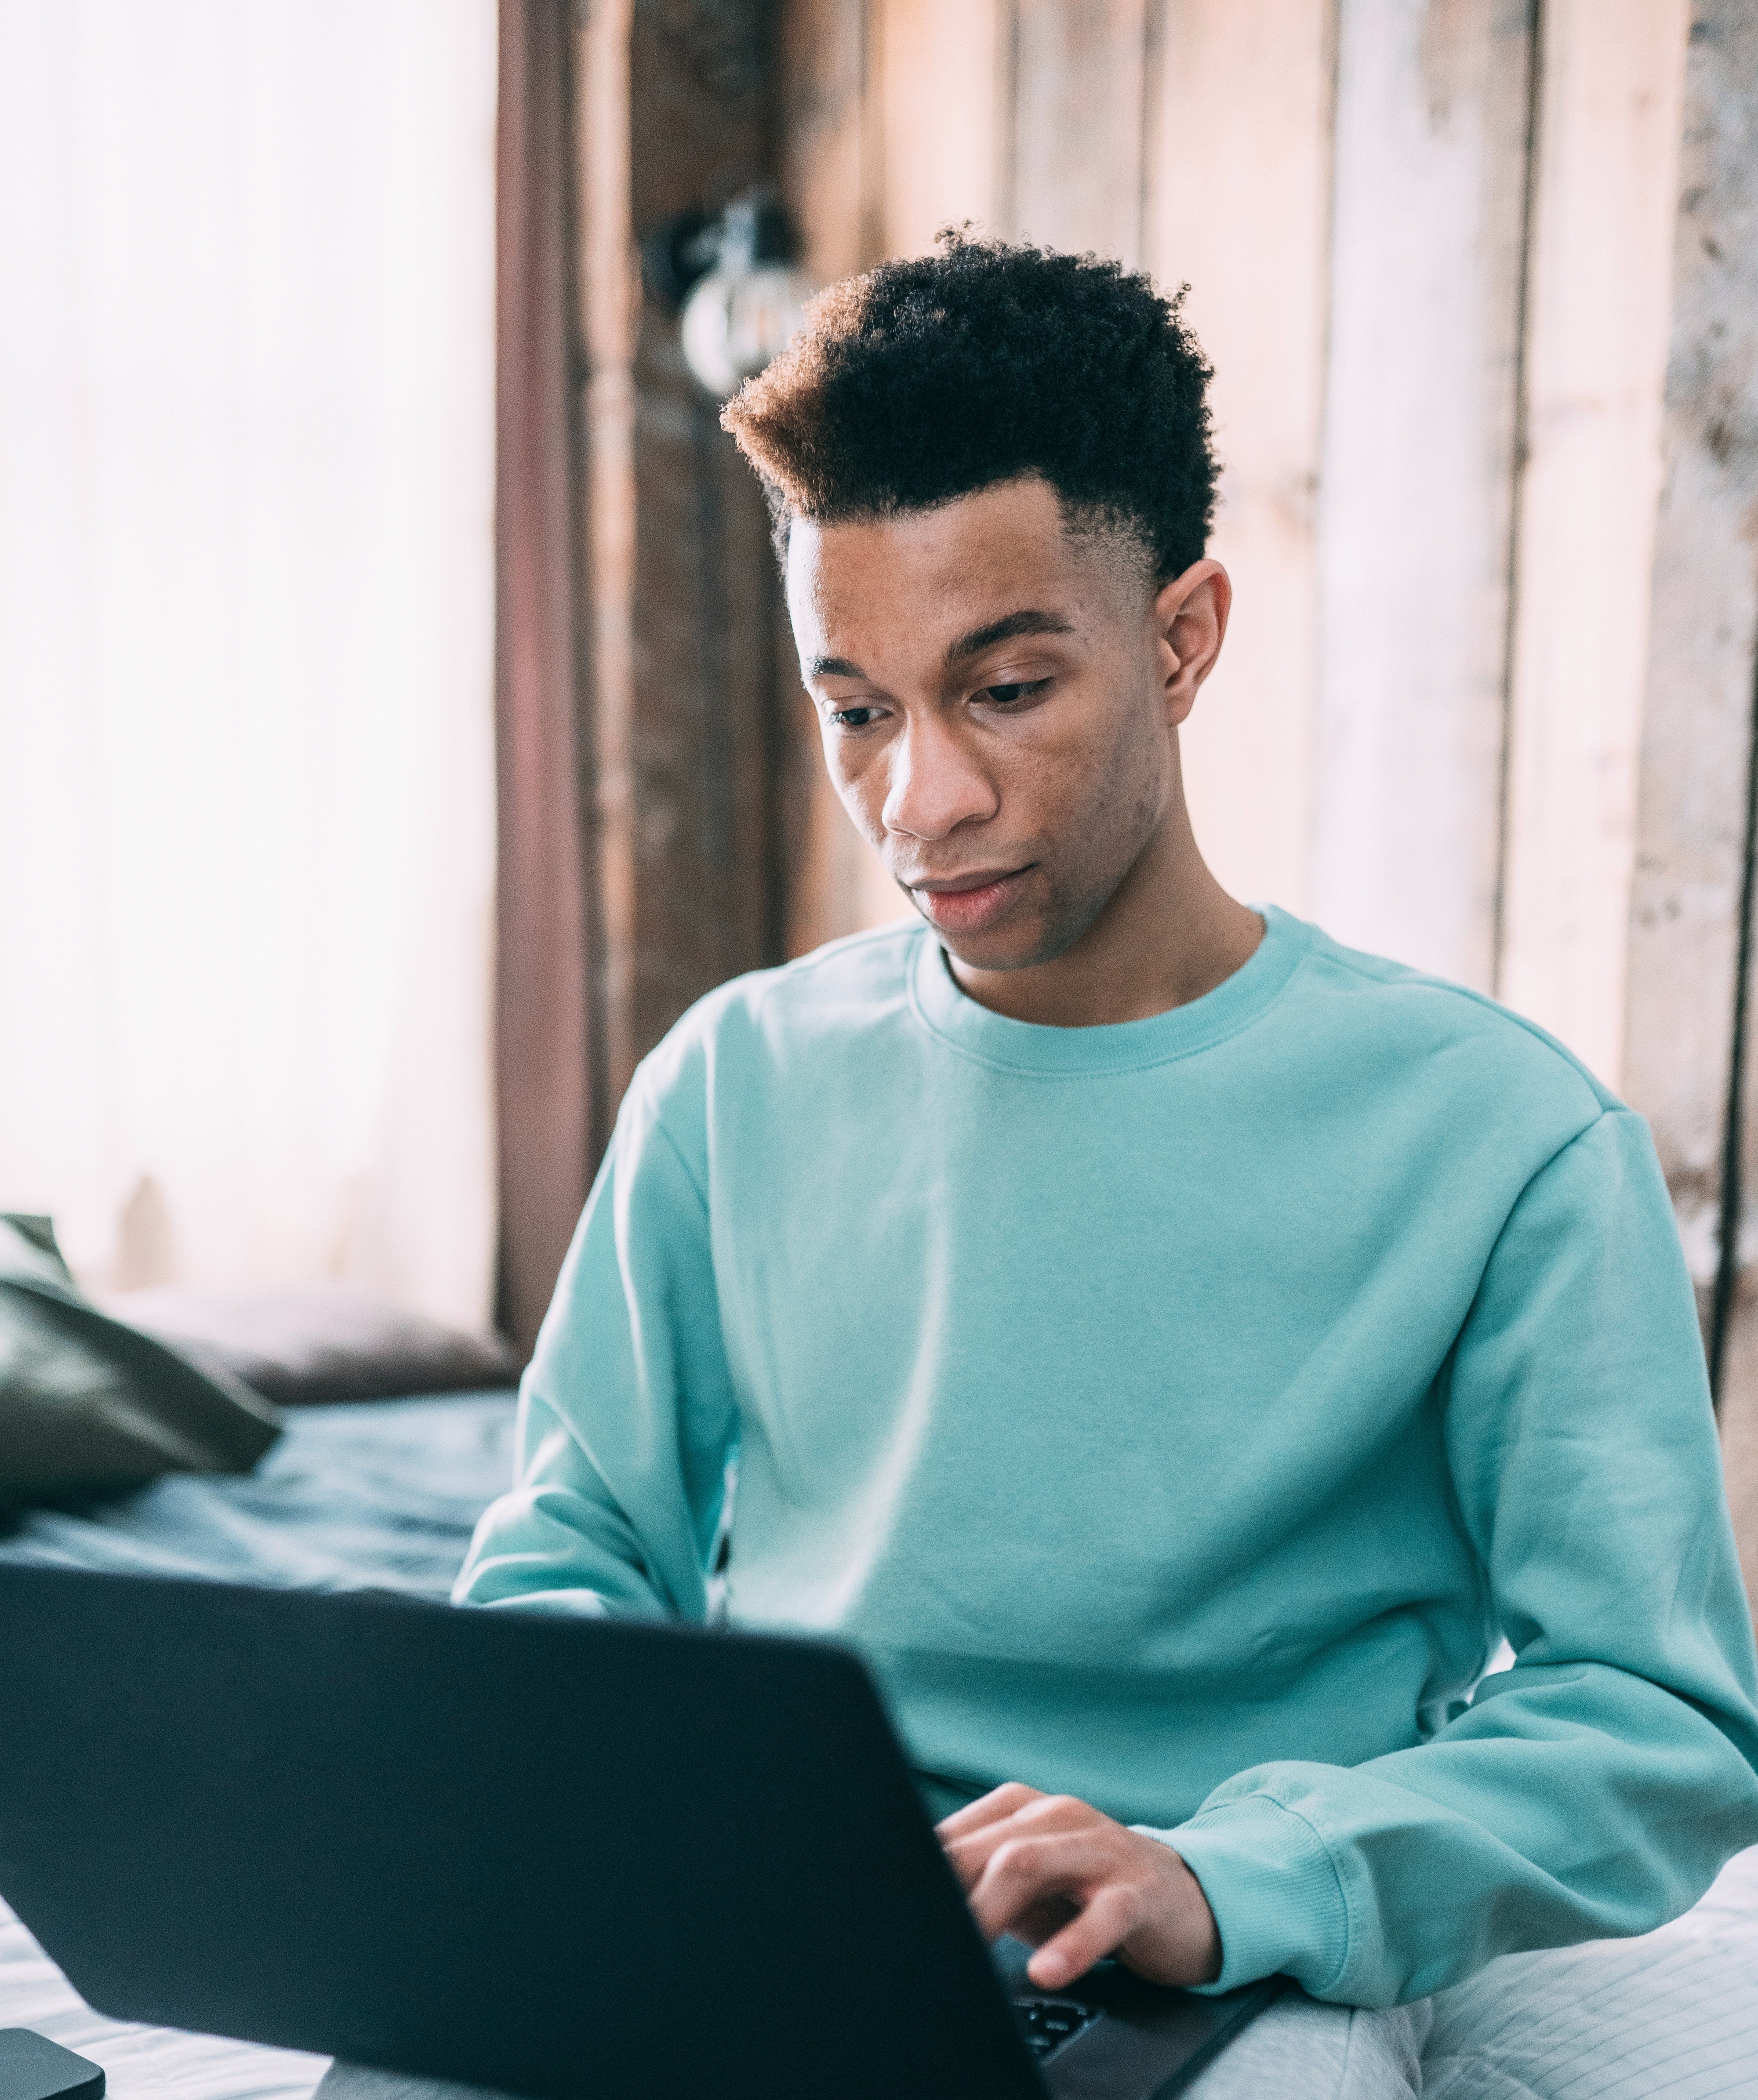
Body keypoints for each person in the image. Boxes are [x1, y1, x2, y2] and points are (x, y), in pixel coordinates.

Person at [456, 234, 1758, 2096]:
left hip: (1230, 1949)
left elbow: (1651, 1722)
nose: (922, 803)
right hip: (782, 1910)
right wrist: (602, 1804)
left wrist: (1235, 1877)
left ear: (1180, 634)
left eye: (1003, 689)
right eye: (857, 710)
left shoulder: (1504, 1141)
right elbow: (572, 1555)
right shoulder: (730, 1082)